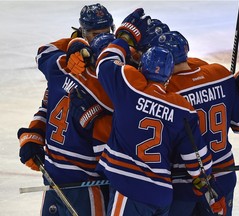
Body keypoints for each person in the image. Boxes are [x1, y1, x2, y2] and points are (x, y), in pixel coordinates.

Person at [92, 8, 226, 216]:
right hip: (162, 196)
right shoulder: (182, 108)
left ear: (142, 67)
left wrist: (124, 37)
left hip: (130, 188)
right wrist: (202, 178)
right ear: (168, 76)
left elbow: (105, 61)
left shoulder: (129, 88)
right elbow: (197, 158)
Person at [147, 31, 239, 216]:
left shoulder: (164, 92)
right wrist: (236, 88)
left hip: (182, 183)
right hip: (223, 177)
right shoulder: (220, 74)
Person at [18, 21, 116, 216]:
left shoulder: (60, 67)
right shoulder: (106, 93)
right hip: (85, 184)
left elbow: (44, 53)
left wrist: (32, 135)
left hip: (54, 174)